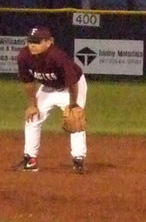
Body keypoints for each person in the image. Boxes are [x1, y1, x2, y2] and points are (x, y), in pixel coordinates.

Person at [13, 26, 89, 174]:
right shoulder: (24, 56)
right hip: (48, 87)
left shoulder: (57, 57)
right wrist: (32, 105)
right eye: (30, 42)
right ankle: (30, 160)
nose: (32, 45)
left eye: (37, 42)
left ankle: (78, 159)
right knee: (33, 117)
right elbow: (28, 82)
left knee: (75, 119)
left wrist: (73, 104)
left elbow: (72, 82)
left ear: (48, 42)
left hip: (71, 87)